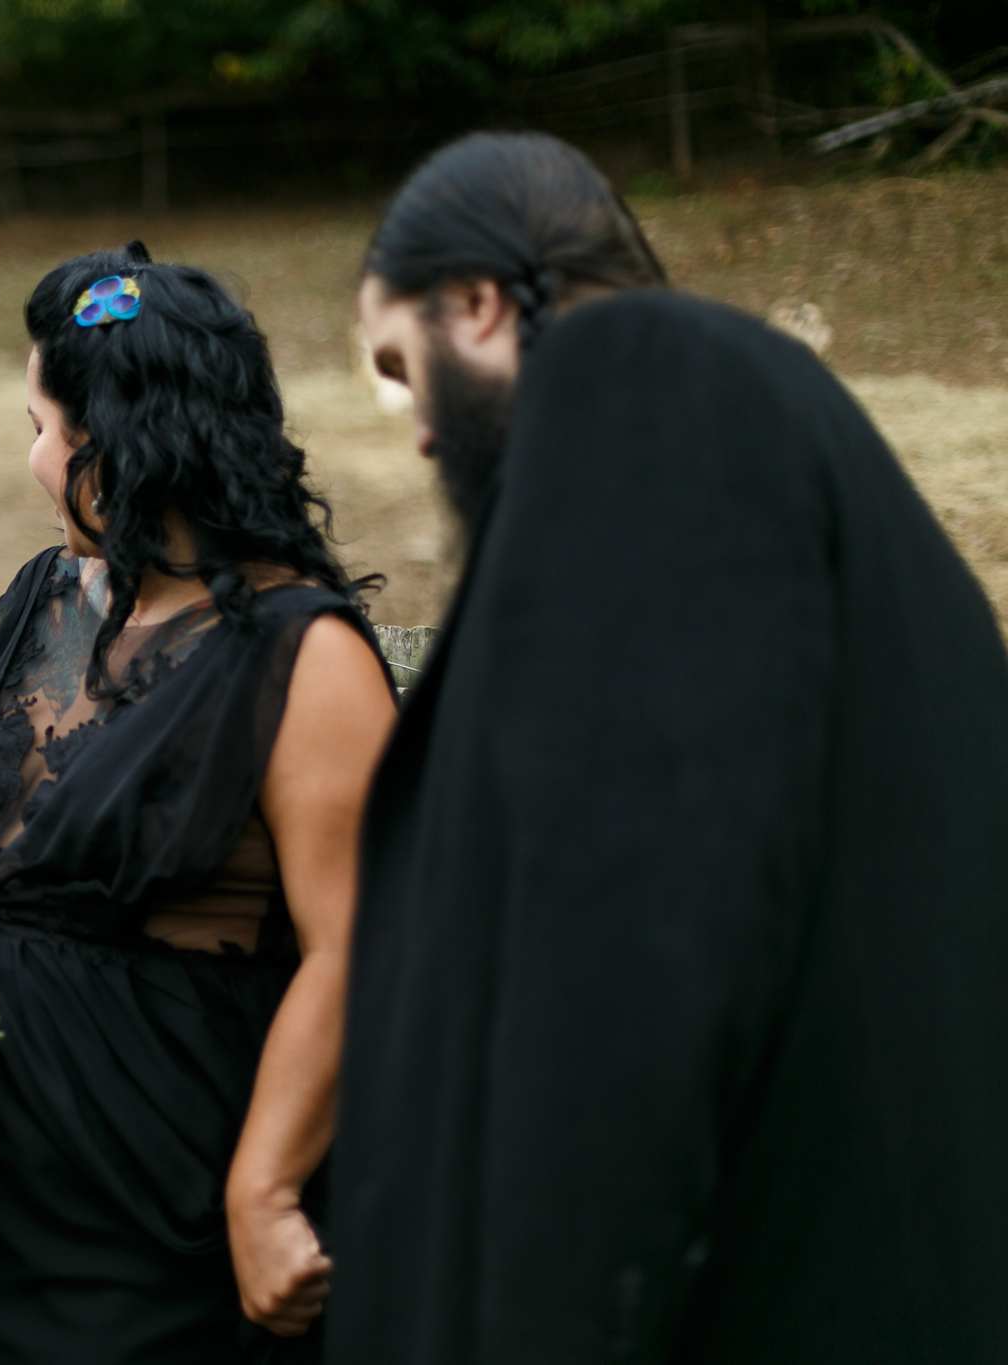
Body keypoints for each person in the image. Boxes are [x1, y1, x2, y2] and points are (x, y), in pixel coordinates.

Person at [335, 130, 1008, 1363]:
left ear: (477, 302)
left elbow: (624, 978)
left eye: (399, 365)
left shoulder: (643, 384)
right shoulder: (780, 435)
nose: (416, 429)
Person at [0, 246, 397, 1363]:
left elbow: (355, 950)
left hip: (156, 1211)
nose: (30, 462)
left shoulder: (305, 660)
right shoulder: (41, 599)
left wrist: (261, 1190)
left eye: (44, 427)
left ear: (122, 448)